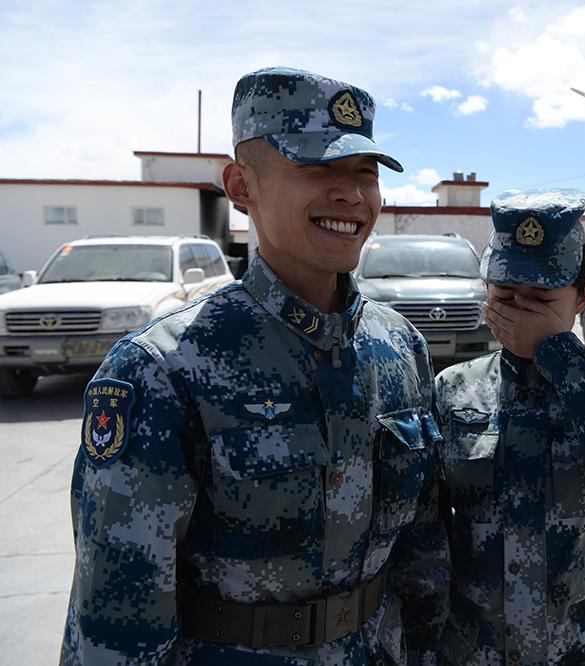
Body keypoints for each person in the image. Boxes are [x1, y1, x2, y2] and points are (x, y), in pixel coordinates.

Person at [61, 67, 449, 664]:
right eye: (319, 168)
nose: (350, 194)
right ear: (241, 186)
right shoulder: (162, 369)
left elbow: (423, 556)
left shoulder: (398, 347)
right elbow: (117, 623)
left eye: (364, 172)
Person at [434, 189, 585, 665]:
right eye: (505, 295)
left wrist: (558, 352)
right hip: (483, 646)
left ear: (583, 295)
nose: (521, 312)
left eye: (542, 298)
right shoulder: (454, 389)